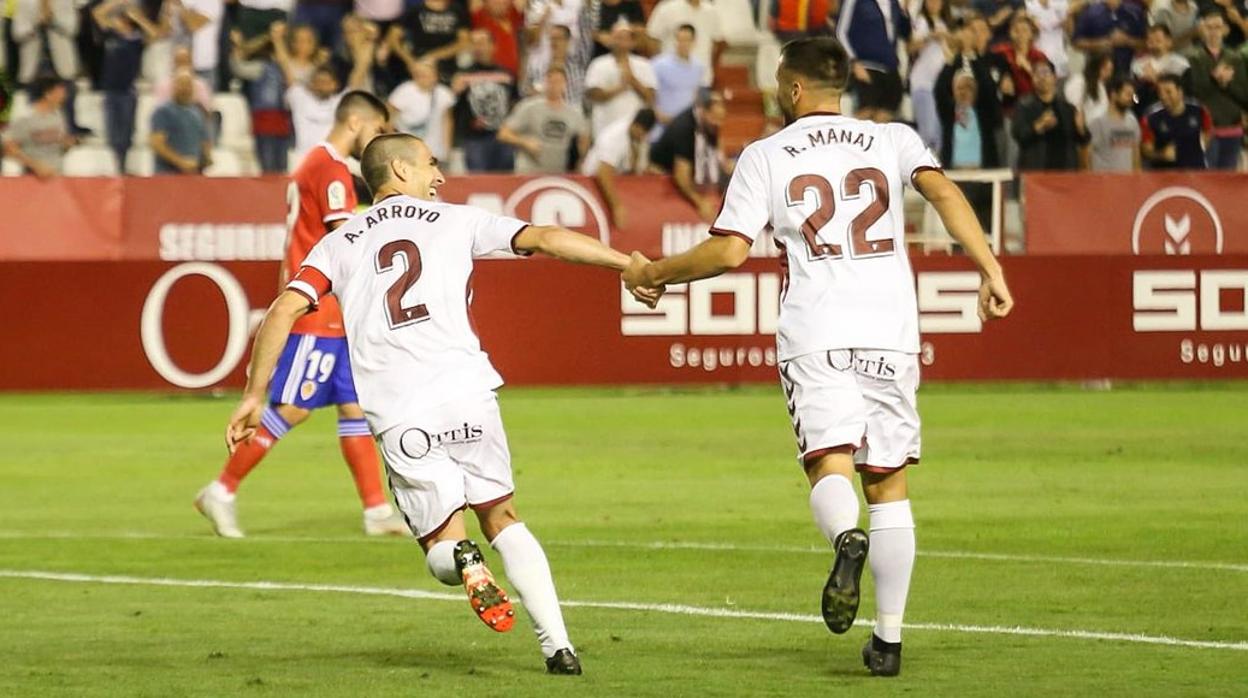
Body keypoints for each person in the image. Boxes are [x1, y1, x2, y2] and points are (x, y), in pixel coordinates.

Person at [622, 36, 1013, 679]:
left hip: (817, 328)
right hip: (891, 325)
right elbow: (943, 195)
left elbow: (727, 252)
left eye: (780, 81)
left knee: (829, 463)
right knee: (888, 482)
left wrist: (658, 272)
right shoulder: (893, 139)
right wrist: (990, 269)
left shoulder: (766, 154)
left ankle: (843, 539)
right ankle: (888, 641)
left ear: (796, 88)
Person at [225, 131, 662, 674]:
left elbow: (282, 311)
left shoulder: (340, 241)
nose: (440, 176)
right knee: (504, 518)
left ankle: (462, 560)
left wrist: (253, 395)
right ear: (401, 170)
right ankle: (559, 648)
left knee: (440, 544)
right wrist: (629, 265)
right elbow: (546, 237)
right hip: (467, 393)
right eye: (431, 164)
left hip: (399, 410)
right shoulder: (458, 219)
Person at [197, 91, 409, 538]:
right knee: (292, 407)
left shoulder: (312, 163)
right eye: (378, 129)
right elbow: (343, 234)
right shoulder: (332, 168)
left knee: (354, 406)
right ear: (356, 121)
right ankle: (222, 489)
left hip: (331, 308)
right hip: (320, 309)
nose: (379, 140)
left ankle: (375, 512)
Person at [281, 22, 374, 161]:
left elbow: (361, 67)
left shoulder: (343, 101)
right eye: (318, 82)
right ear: (311, 84)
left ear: (335, 85)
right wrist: (278, 40)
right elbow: (285, 65)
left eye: (326, 83)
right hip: (303, 159)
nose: (321, 86)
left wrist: (369, 40)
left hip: (333, 160)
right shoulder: (300, 97)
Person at [92, 0, 161, 171]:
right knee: (112, 135)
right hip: (111, 91)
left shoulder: (136, 39)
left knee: (126, 136)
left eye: (122, 19)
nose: (119, 21)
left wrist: (138, 17)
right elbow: (97, 13)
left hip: (127, 91)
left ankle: (123, 167)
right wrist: (118, 2)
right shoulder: (111, 35)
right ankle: (115, 167)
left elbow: (155, 33)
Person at [1184, 8, 1248, 169]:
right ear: (1202, 30)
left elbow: (1244, 95)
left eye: (1217, 27)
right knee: (1207, 178)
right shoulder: (1193, 58)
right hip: (1206, 129)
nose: (1213, 32)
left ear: (1225, 30)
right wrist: (1215, 80)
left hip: (1232, 128)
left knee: (1227, 181)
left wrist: (1227, 85)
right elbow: (1194, 92)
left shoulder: (1236, 58)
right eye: (1209, 27)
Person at [649, 90, 726, 222]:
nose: (718, 125)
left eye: (720, 120)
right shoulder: (683, 129)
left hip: (690, 167)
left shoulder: (709, 124)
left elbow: (717, 149)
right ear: (702, 111)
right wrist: (700, 202)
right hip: (661, 176)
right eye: (714, 120)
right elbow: (681, 176)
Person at [451, 28, 520, 172]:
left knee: (507, 182)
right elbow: (452, 107)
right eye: (474, 43)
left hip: (503, 138)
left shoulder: (506, 74)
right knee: (478, 181)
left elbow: (515, 104)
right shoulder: (462, 75)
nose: (478, 48)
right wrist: (454, 91)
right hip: (474, 139)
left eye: (482, 43)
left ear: (493, 46)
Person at [498, 66, 589, 173]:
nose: (554, 85)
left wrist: (581, 159)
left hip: (558, 172)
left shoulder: (574, 113)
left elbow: (584, 138)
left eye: (558, 81)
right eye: (551, 81)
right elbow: (503, 134)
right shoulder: (528, 107)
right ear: (545, 83)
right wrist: (524, 142)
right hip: (528, 171)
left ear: (565, 84)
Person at [836, 0, 911, 122]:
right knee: (866, 113)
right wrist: (854, 63)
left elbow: (904, 32)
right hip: (866, 66)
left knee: (886, 116)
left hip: (890, 67)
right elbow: (841, 32)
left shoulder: (894, 3)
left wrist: (905, 10)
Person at [582, 108, 658, 229]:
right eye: (642, 133)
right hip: (591, 185)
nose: (643, 137)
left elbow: (638, 168)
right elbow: (603, 173)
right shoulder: (615, 136)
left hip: (611, 183)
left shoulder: (634, 134)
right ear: (637, 126)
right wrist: (617, 206)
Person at [1011, 58, 1088, 170]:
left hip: (1065, 172)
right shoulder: (1024, 106)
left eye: (1046, 73)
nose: (1042, 77)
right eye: (1037, 74)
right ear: (1033, 79)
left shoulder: (1068, 108)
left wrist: (1081, 129)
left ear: (1054, 77)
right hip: (1036, 174)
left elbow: (1084, 140)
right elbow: (1018, 134)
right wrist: (1038, 126)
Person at [585, 23, 656, 135]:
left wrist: (633, 81)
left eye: (626, 38)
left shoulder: (644, 65)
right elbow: (593, 94)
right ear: (611, 40)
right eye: (618, 38)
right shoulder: (598, 64)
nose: (621, 42)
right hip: (605, 126)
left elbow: (650, 98)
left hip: (634, 128)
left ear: (633, 43)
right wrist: (620, 88)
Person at [383, 0, 470, 84]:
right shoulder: (414, 9)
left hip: (447, 64)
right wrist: (410, 60)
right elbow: (392, 38)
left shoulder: (457, 10)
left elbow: (464, 42)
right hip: (419, 61)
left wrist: (434, 56)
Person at [2, 77, 73, 177]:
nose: (64, 96)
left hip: (57, 177)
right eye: (60, 92)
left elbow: (58, 146)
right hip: (32, 179)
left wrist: (67, 145)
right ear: (47, 94)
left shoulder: (59, 116)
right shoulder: (26, 117)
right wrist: (35, 166)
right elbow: (9, 149)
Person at [388, 59, 456, 161]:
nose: (424, 78)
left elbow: (447, 122)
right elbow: (388, 116)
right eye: (420, 74)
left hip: (434, 150)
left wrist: (447, 149)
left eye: (427, 75)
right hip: (406, 151)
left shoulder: (444, 94)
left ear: (435, 75)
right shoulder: (404, 90)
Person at [908, 0, 954, 151]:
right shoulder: (921, 21)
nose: (934, 3)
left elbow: (949, 54)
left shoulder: (944, 24)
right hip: (923, 83)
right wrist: (930, 37)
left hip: (939, 86)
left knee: (939, 133)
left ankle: (934, 167)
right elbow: (911, 47)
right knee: (928, 132)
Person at [1140, 74, 1212, 169]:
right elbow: (1146, 150)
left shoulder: (1198, 110)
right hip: (1165, 176)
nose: (1163, 96)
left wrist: (1200, 148)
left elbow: (1207, 132)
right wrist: (1161, 155)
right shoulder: (1150, 117)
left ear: (1180, 92)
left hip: (1196, 172)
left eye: (1168, 92)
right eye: (1160, 92)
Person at [646, 0, 725, 84]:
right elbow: (652, 39)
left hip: (702, 80)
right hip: (671, 79)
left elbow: (716, 43)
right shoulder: (667, 8)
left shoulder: (711, 11)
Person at [150, 69, 213, 174]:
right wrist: (181, 162)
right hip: (167, 176)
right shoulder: (163, 111)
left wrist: (206, 158)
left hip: (193, 175)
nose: (185, 88)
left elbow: (204, 141)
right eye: (181, 84)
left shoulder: (197, 111)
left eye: (188, 85)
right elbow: (157, 144)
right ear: (174, 86)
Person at [652, 24, 706, 125]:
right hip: (663, 122)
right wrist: (657, 113)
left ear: (694, 42)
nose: (683, 44)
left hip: (687, 124)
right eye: (679, 39)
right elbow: (649, 93)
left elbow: (696, 94)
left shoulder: (698, 66)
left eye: (687, 40)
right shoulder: (658, 64)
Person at [1131, 25, 1191, 116]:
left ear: (1169, 42)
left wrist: (1156, 80)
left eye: (1158, 40)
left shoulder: (1181, 65)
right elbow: (1135, 98)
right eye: (1150, 41)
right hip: (1146, 112)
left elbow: (1187, 94)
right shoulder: (1138, 65)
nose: (1154, 44)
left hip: (1175, 113)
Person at [1071, 0, 1145, 73]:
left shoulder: (1136, 11)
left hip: (1125, 72)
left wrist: (1127, 40)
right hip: (1096, 71)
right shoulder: (1090, 11)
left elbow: (1145, 43)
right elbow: (1076, 42)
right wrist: (1097, 44)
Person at [522, 23, 586, 107]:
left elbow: (579, 98)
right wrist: (534, 93)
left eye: (558, 38)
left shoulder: (577, 69)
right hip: (543, 113)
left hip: (569, 114)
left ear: (568, 41)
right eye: (551, 39)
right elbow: (524, 90)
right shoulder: (538, 66)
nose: (553, 42)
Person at [1088, 75, 1140, 171]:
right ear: (1113, 95)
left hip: (1127, 182)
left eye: (1132, 95)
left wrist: (1137, 177)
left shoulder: (1132, 122)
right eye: (1127, 94)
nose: (1131, 99)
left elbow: (1135, 152)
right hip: (1104, 182)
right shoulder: (1097, 123)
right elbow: (1088, 154)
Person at [473, 0, 524, 77]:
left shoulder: (515, 15)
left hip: (519, 79)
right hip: (495, 79)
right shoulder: (478, 18)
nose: (500, 2)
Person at [1063, 49, 1113, 124]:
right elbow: (1074, 110)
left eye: (1110, 71)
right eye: (1105, 70)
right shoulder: (1078, 81)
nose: (1108, 75)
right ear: (1094, 67)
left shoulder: (1101, 86)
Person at [1025, 0, 1070, 77]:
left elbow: (1069, 28)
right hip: (1038, 56)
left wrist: (1065, 20)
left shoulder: (1061, 3)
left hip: (1059, 56)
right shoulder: (1028, 4)